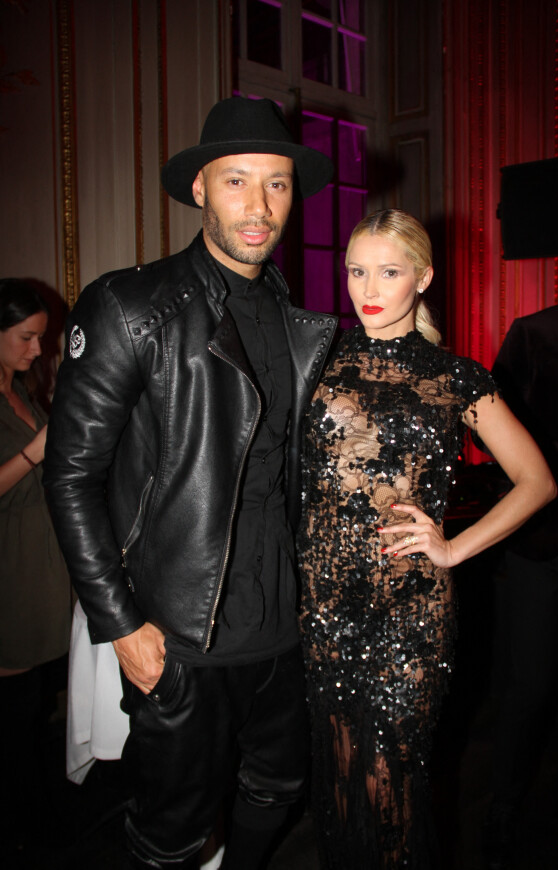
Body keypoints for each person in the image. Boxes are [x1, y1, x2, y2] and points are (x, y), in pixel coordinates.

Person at [43, 96, 337, 870]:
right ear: (200, 189)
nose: (259, 205)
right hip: (182, 633)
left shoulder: (294, 317)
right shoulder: (129, 306)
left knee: (278, 785)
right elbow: (72, 476)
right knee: (170, 829)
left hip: (283, 627)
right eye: (237, 181)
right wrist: (121, 626)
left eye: (276, 184)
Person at [297, 209, 556, 869]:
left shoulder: (455, 377)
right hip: (324, 610)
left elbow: (536, 480)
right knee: (340, 783)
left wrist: (453, 548)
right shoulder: (316, 361)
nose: (368, 287)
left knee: (392, 785)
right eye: (356, 270)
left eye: (388, 270)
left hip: (409, 611)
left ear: (424, 277)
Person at [482, 240, 558, 869]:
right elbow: (494, 429)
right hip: (545, 543)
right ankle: (498, 827)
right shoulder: (535, 332)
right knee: (528, 690)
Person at [0, 278, 71, 854]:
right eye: (26, 338)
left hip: (41, 564)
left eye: (42, 339)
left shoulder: (22, 389)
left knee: (37, 705)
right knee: (14, 715)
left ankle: (41, 814)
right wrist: (36, 449)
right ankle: (30, 833)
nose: (36, 350)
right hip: (9, 568)